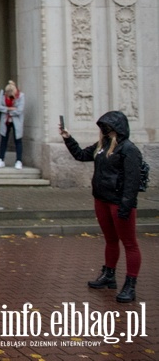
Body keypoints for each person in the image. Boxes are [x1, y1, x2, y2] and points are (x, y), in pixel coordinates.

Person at [60, 111, 142, 303]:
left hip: (120, 203)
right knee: (110, 240)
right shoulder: (102, 146)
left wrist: (125, 205)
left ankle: (130, 285)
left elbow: (133, 181)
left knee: (130, 243)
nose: (104, 130)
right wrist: (67, 138)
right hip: (101, 200)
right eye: (103, 127)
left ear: (117, 127)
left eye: (107, 126)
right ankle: (109, 275)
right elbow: (80, 155)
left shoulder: (129, 149)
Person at [0, 80, 25, 169]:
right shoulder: (2, 93)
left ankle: (19, 160)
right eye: (7, 94)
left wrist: (9, 112)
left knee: (18, 140)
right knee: (4, 139)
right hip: (5, 120)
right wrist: (9, 109)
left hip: (16, 121)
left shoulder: (21, 96)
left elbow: (20, 110)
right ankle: (1, 159)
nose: (8, 96)